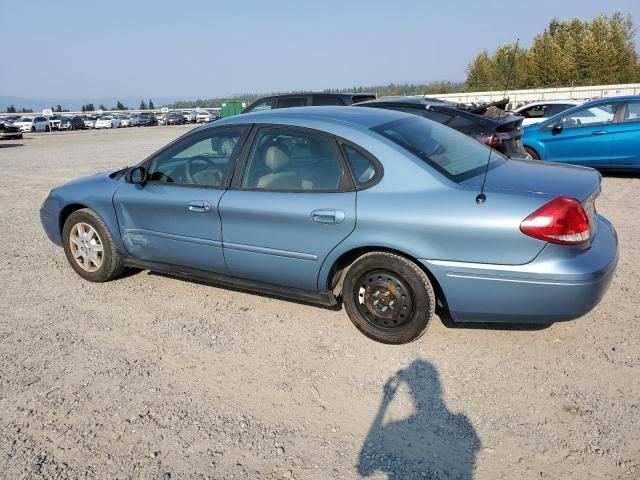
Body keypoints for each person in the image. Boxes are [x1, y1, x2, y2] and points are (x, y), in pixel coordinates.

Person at [358, 360, 480, 480]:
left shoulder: (395, 429)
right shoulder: (461, 422)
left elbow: (364, 469)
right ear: (438, 387)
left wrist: (384, 403)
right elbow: (475, 447)